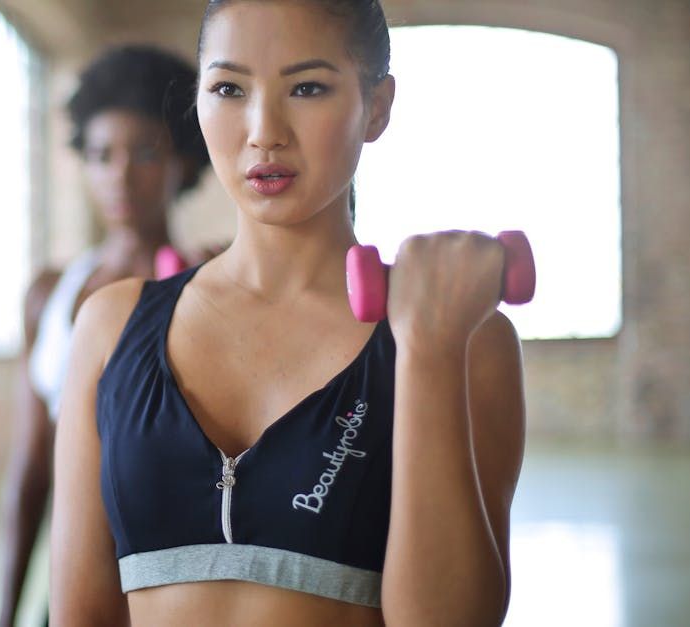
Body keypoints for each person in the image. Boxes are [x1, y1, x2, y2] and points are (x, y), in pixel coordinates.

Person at [49, 1, 526, 625]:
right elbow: (81, 615)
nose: (263, 130)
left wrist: (430, 352)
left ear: (377, 106)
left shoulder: (466, 340)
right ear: (197, 102)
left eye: (307, 87)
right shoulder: (110, 326)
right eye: (228, 88)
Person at [0, 45, 212, 627]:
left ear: (184, 162)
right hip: (74, 581)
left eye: (144, 152)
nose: (119, 175)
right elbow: (32, 467)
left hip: (173, 582)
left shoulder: (207, 290)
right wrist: (3, 612)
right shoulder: (51, 292)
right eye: (100, 154)